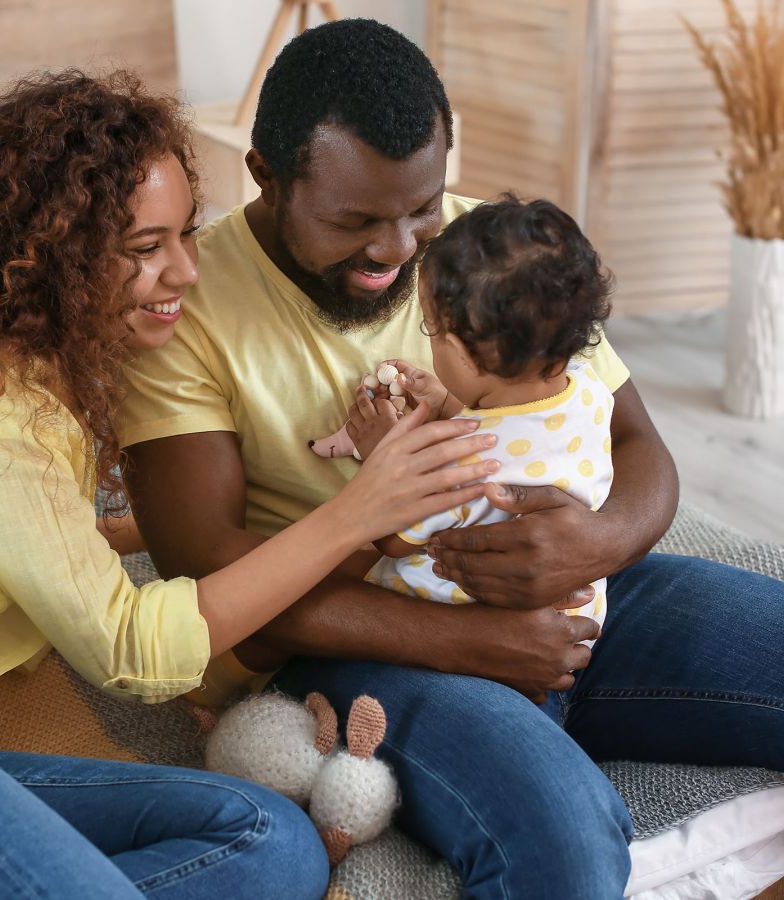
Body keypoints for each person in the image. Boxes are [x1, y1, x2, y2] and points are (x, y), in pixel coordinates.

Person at [119, 19, 784, 899]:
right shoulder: (189, 312)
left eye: (421, 206)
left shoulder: (488, 250)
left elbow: (635, 440)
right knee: (571, 850)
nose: (400, 249)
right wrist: (474, 641)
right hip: (369, 637)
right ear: (267, 179)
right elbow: (210, 576)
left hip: (571, 604)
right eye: (355, 220)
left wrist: (599, 542)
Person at [0, 70, 482, 900]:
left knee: (271, 838)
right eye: (146, 248)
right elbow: (130, 652)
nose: (186, 271)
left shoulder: (40, 377)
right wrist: (357, 513)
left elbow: (39, 533)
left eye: (186, 234)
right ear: (45, 255)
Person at [359, 195, 614, 644]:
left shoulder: (467, 464)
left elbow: (394, 540)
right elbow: (523, 437)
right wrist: (447, 405)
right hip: (579, 618)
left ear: (457, 352)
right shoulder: (587, 388)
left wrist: (382, 453)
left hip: (474, 629)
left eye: (429, 328)